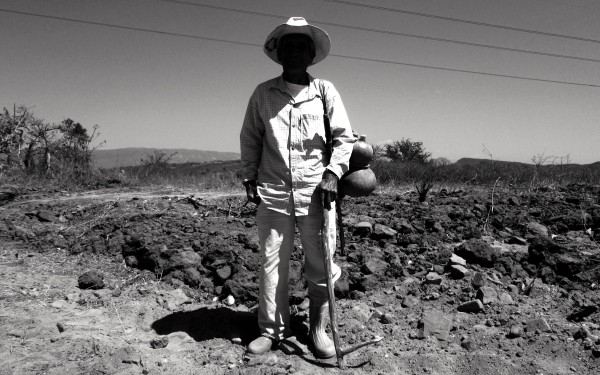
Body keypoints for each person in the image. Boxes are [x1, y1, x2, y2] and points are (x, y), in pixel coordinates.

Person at [240, 17, 355, 358]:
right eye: (287, 46)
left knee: (320, 262)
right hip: (273, 192)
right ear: (279, 53)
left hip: (317, 193)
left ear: (310, 53)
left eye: (300, 46)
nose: (293, 52)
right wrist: (249, 176)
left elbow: (344, 138)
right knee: (272, 262)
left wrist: (334, 173)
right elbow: (251, 138)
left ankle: (318, 329)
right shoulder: (263, 93)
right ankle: (273, 330)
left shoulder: (324, 91)